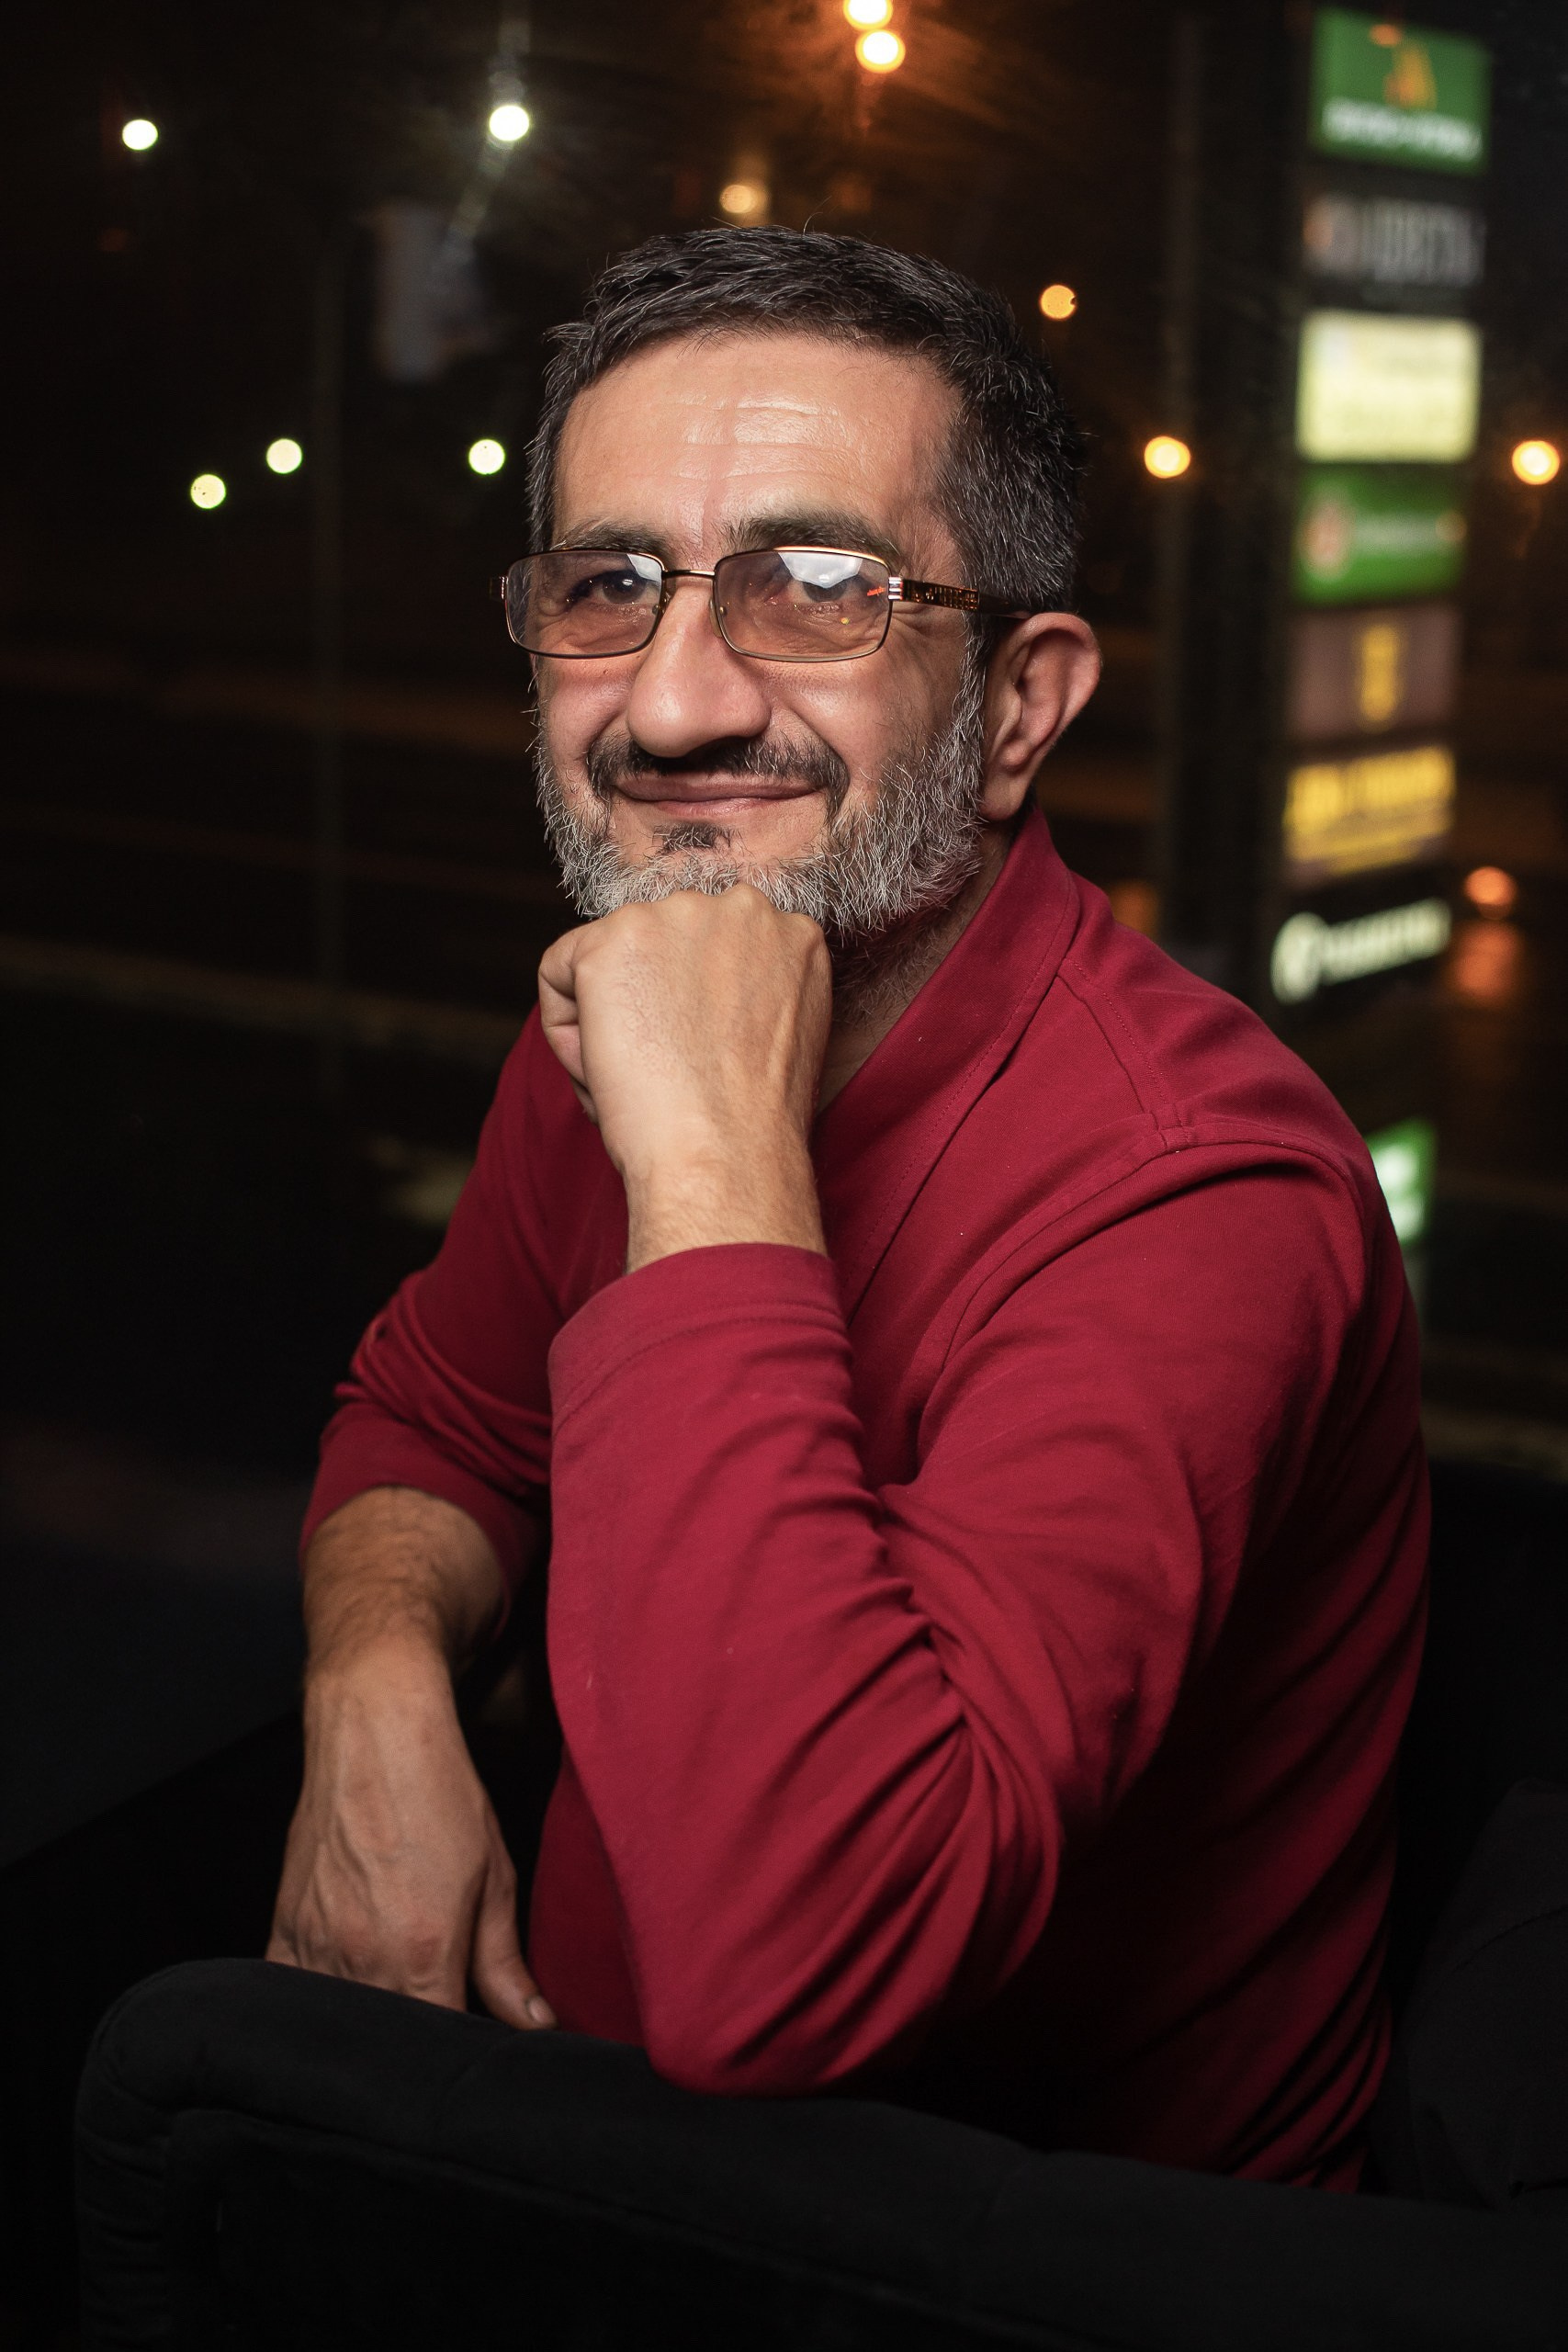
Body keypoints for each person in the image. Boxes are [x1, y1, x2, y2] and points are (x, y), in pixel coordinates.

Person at [267, 227, 1427, 2191]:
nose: (668, 708)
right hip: (596, 2155)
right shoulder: (647, 995)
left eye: (816, 589)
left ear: (1016, 709)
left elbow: (794, 1969)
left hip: (1034, 2259)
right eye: (607, 586)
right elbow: (440, 1422)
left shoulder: (1203, 1190)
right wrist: (371, 1688)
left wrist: (711, 1156)